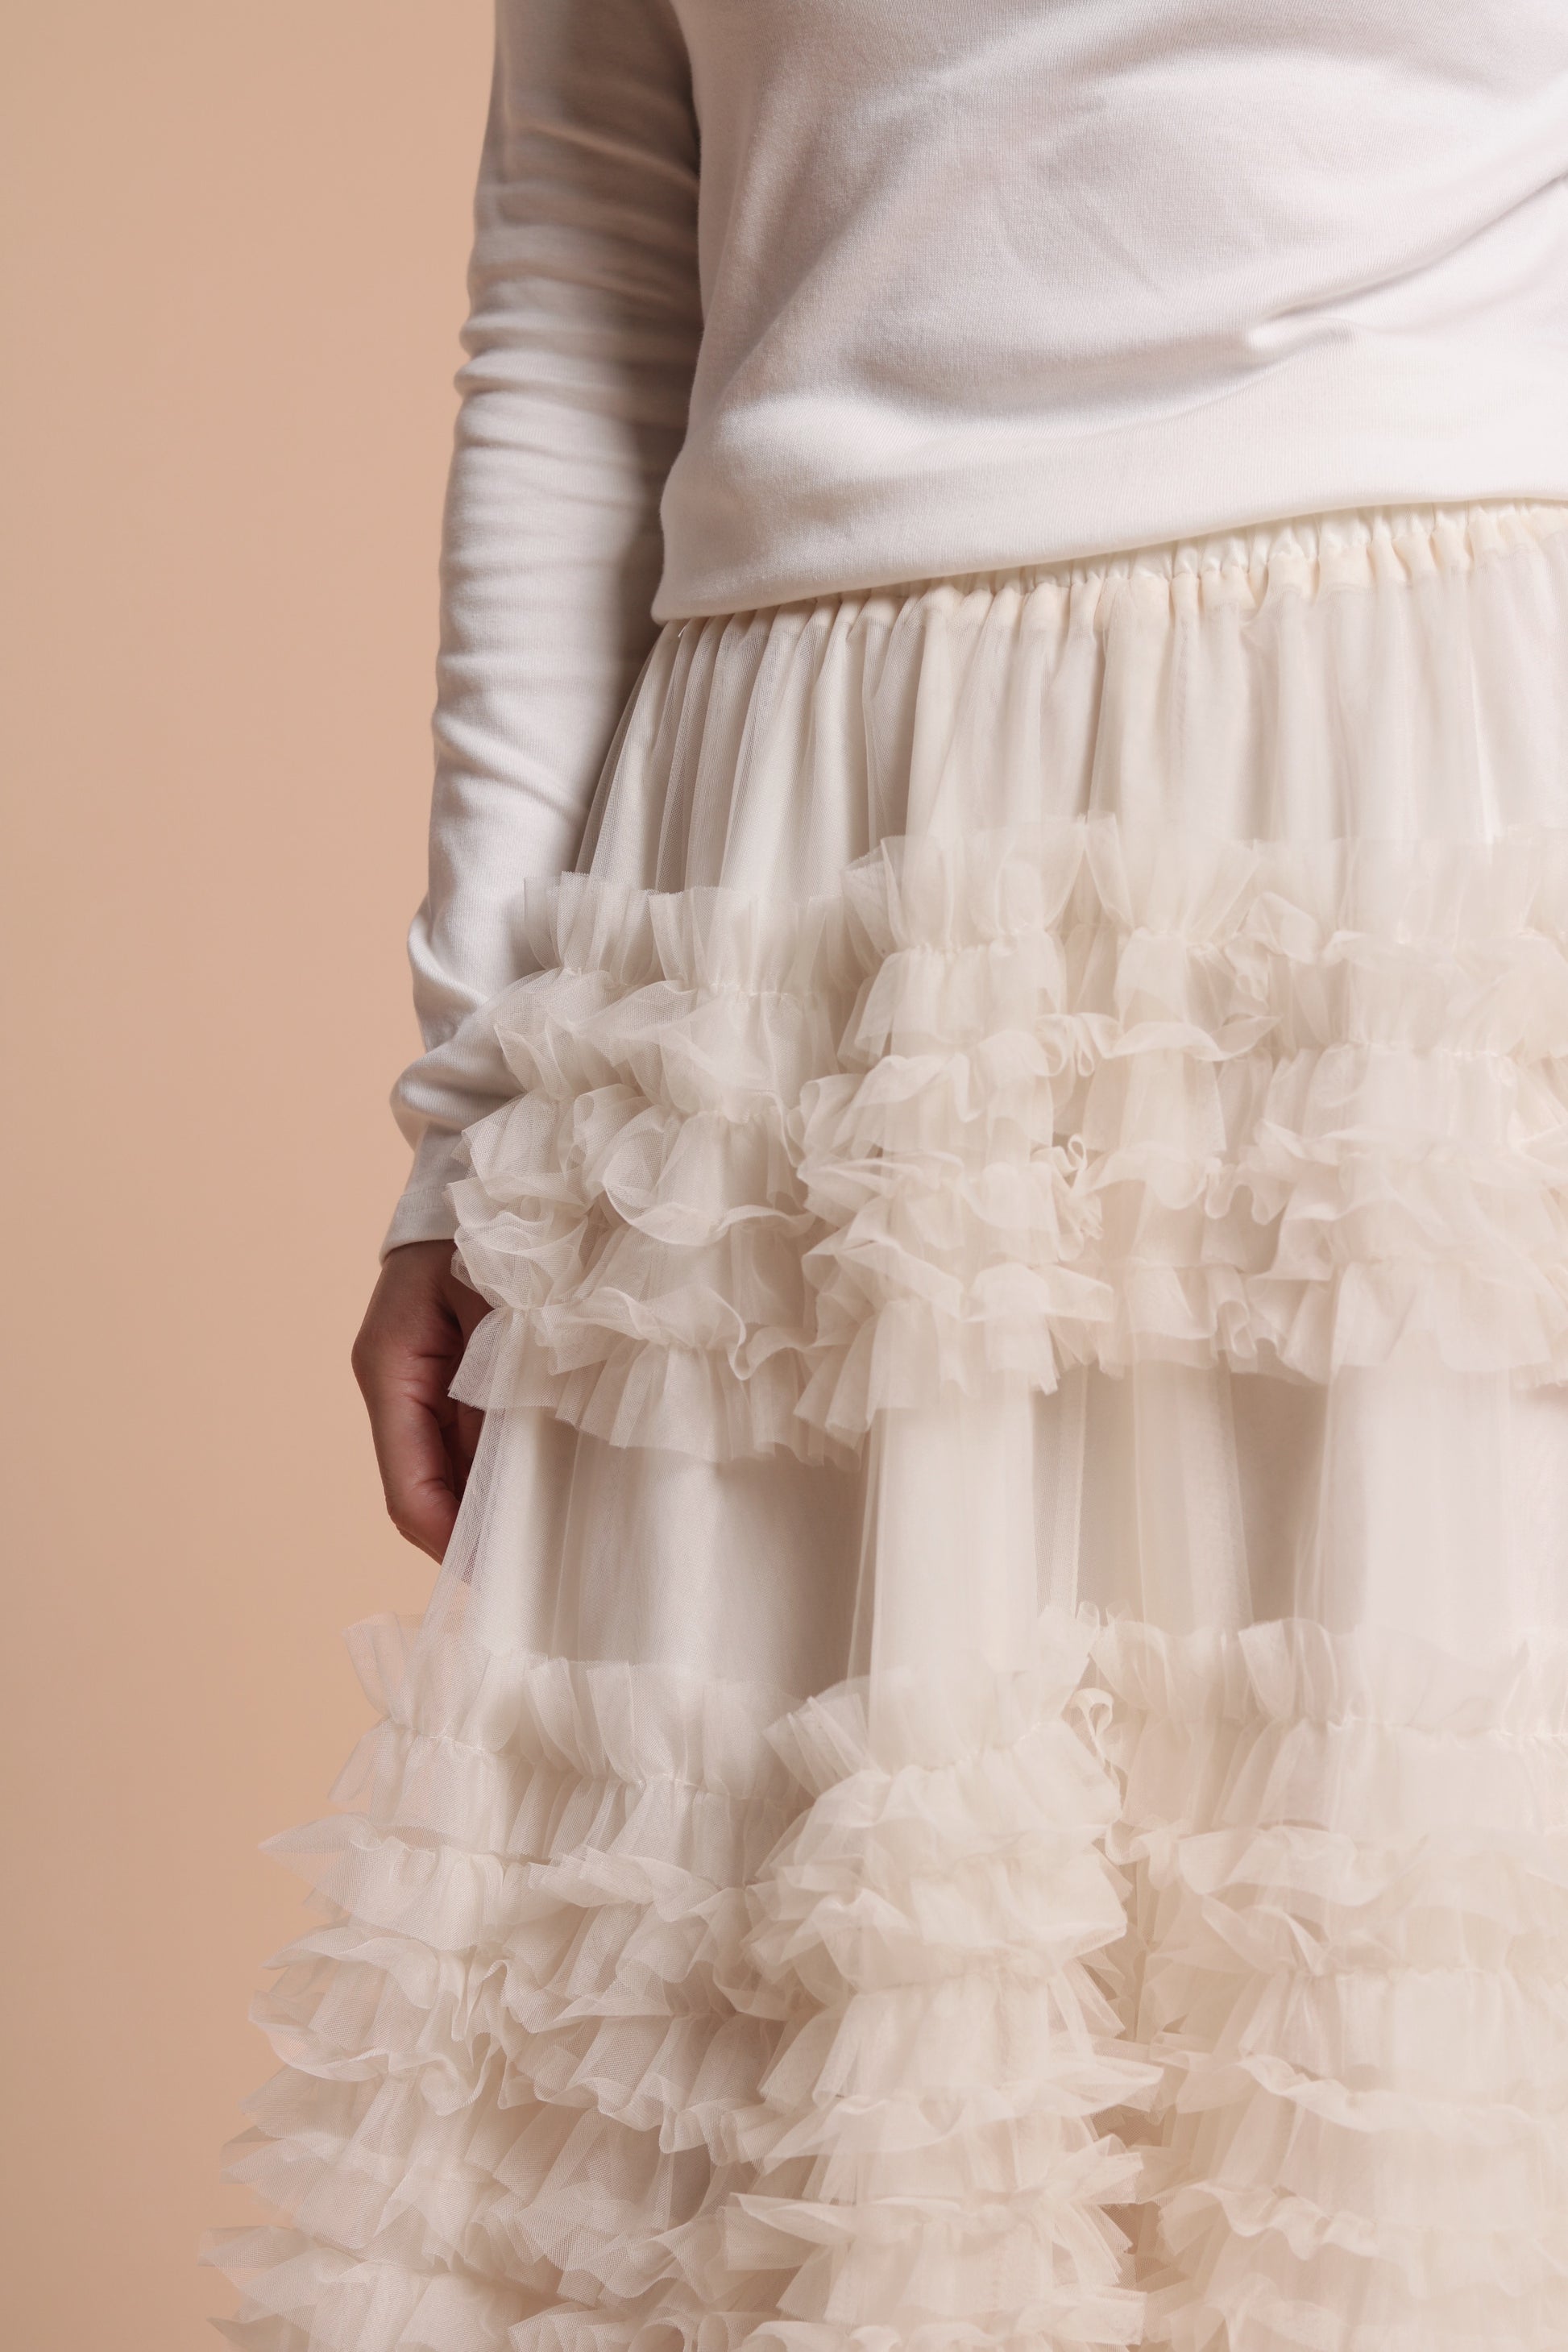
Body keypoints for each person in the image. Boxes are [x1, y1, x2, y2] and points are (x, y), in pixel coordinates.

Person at [210, 6, 1568, 2346]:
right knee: (809, 2029)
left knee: (1409, 1943)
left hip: (1421, 812)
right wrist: (469, 1108)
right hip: (816, 846)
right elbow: (582, 290)